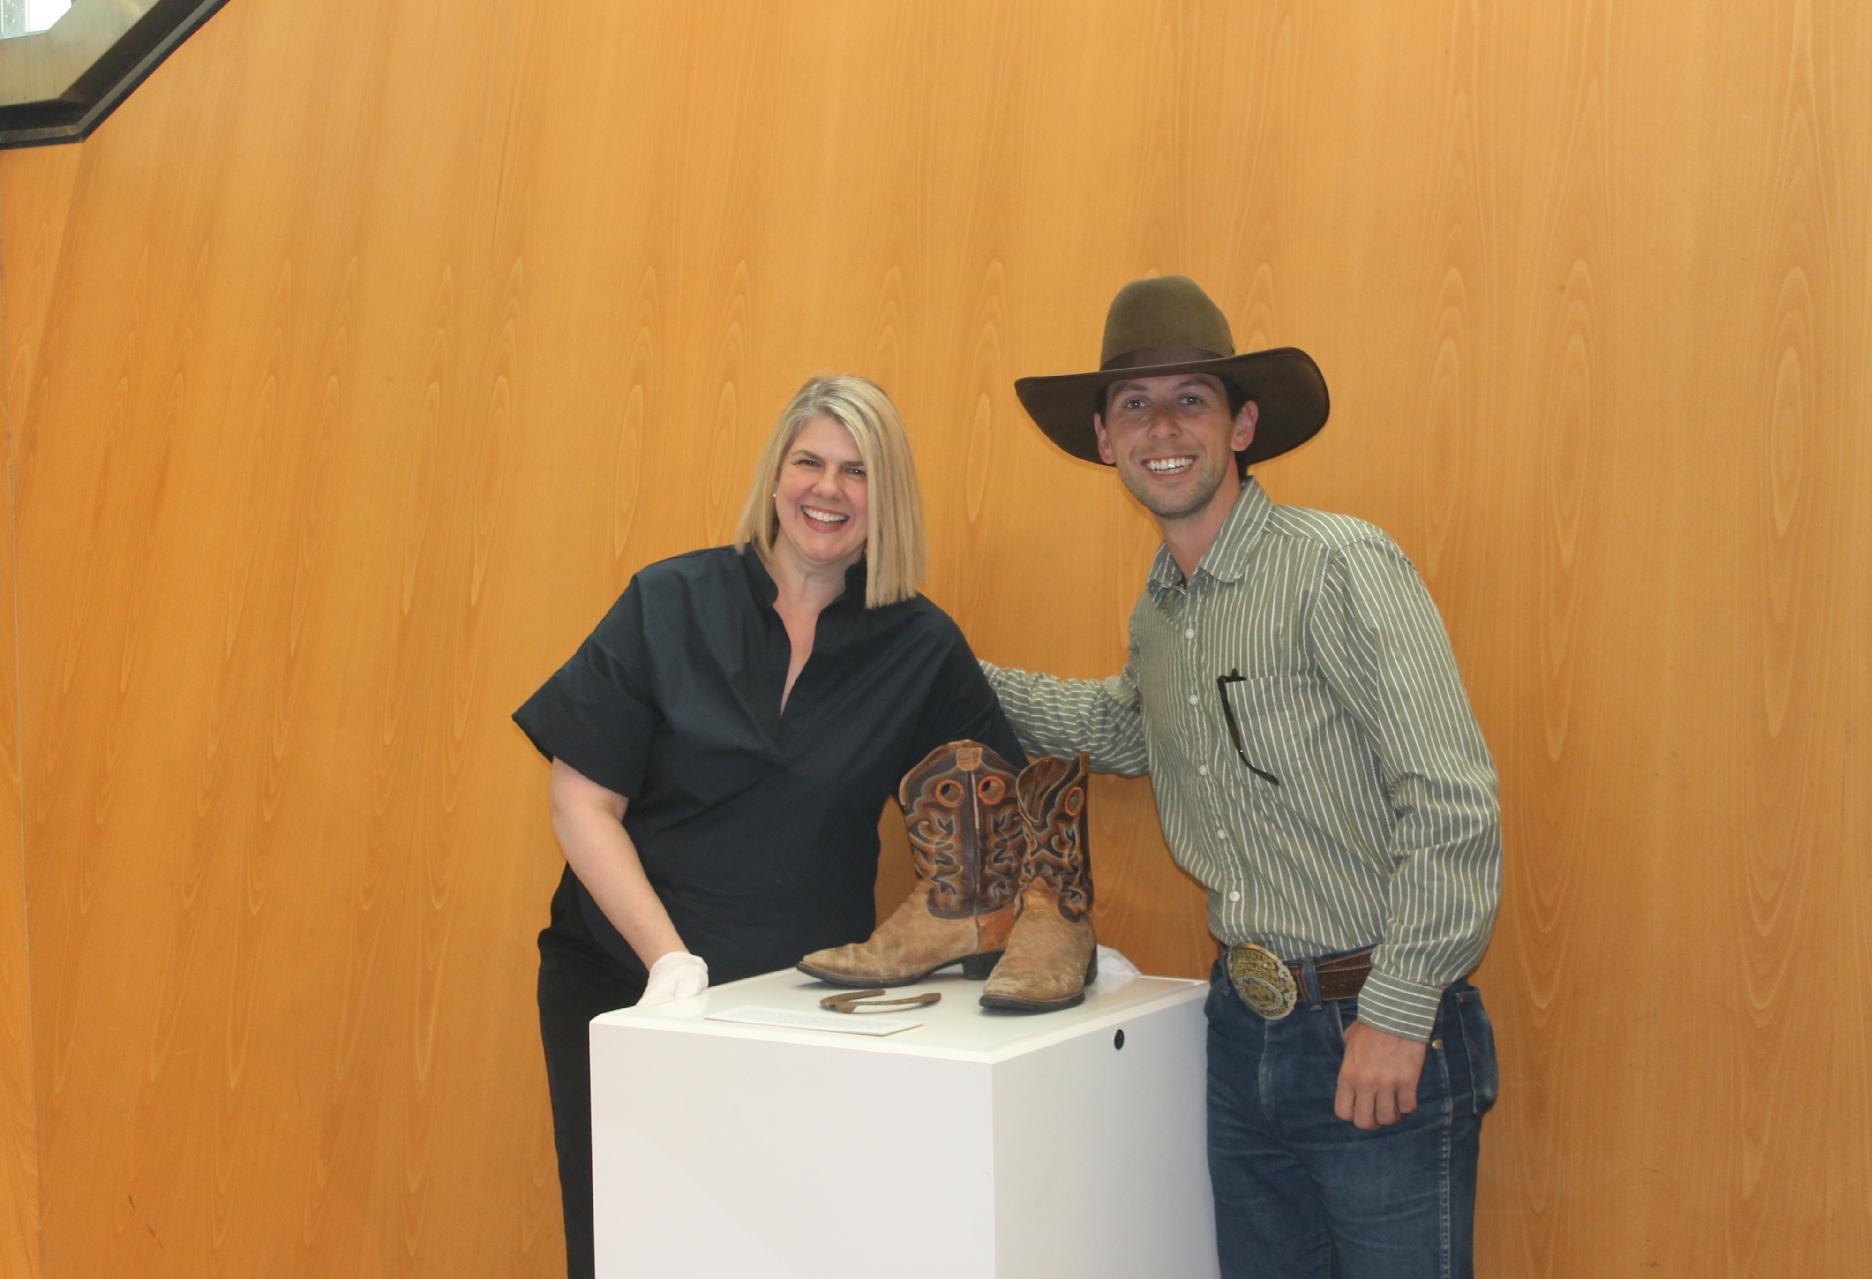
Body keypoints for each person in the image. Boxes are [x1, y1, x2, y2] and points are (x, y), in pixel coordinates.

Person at [982, 275, 1501, 1278]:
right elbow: (1125, 729)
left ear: (1243, 423)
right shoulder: (1162, 609)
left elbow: (1451, 800)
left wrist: (1396, 1012)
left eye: (1191, 399)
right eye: (1134, 404)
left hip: (1374, 1017)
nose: (1162, 426)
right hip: (1243, 1031)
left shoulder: (1338, 566)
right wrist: (947, 669)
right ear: (1103, 439)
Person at [512, 373, 1024, 1279]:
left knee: (770, 1249)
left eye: (857, 471)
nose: (828, 489)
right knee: (624, 1247)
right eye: (810, 462)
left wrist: (1055, 938)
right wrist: (669, 962)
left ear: (886, 496)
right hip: (626, 985)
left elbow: (994, 824)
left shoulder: (921, 646)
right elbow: (580, 800)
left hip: (798, 1010)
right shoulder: (668, 600)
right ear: (776, 476)